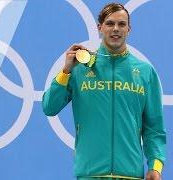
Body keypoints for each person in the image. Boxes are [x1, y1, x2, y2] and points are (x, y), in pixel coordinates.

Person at [42, 3, 166, 180]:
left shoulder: (145, 72)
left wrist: (155, 167)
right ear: (100, 28)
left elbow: (154, 128)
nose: (116, 29)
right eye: (110, 23)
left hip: (130, 174)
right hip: (89, 174)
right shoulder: (79, 68)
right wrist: (66, 71)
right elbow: (49, 107)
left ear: (129, 29)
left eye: (121, 24)